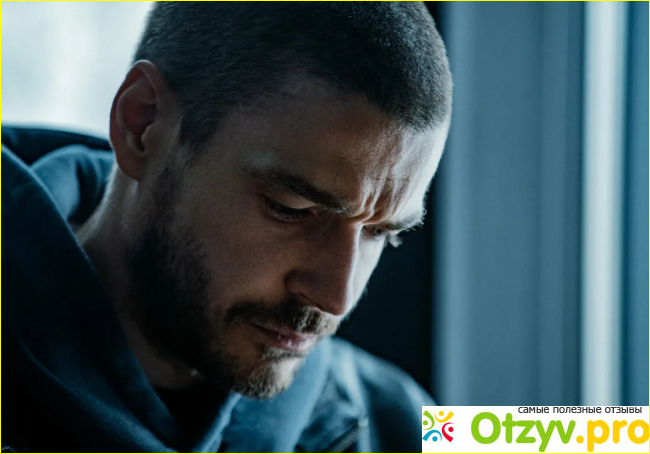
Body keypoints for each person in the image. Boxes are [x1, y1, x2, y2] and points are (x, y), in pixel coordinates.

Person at [2, 2, 452, 452]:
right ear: (141, 124)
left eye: (380, 233)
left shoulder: (401, 421)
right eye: (291, 208)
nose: (336, 298)